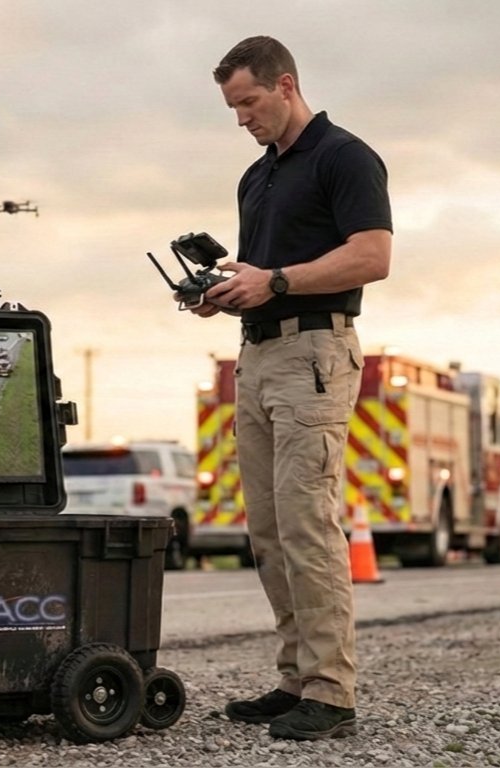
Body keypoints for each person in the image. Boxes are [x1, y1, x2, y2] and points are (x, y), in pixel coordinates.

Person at [190, 36, 391, 741]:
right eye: (232, 107)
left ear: (285, 85)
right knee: (269, 531)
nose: (241, 117)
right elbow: (265, 274)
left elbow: (372, 256)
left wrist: (274, 281)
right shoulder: (256, 177)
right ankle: (296, 679)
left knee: (308, 523)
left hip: (315, 352)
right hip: (258, 355)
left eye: (248, 102)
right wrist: (227, 291)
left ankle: (333, 693)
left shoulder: (345, 156)